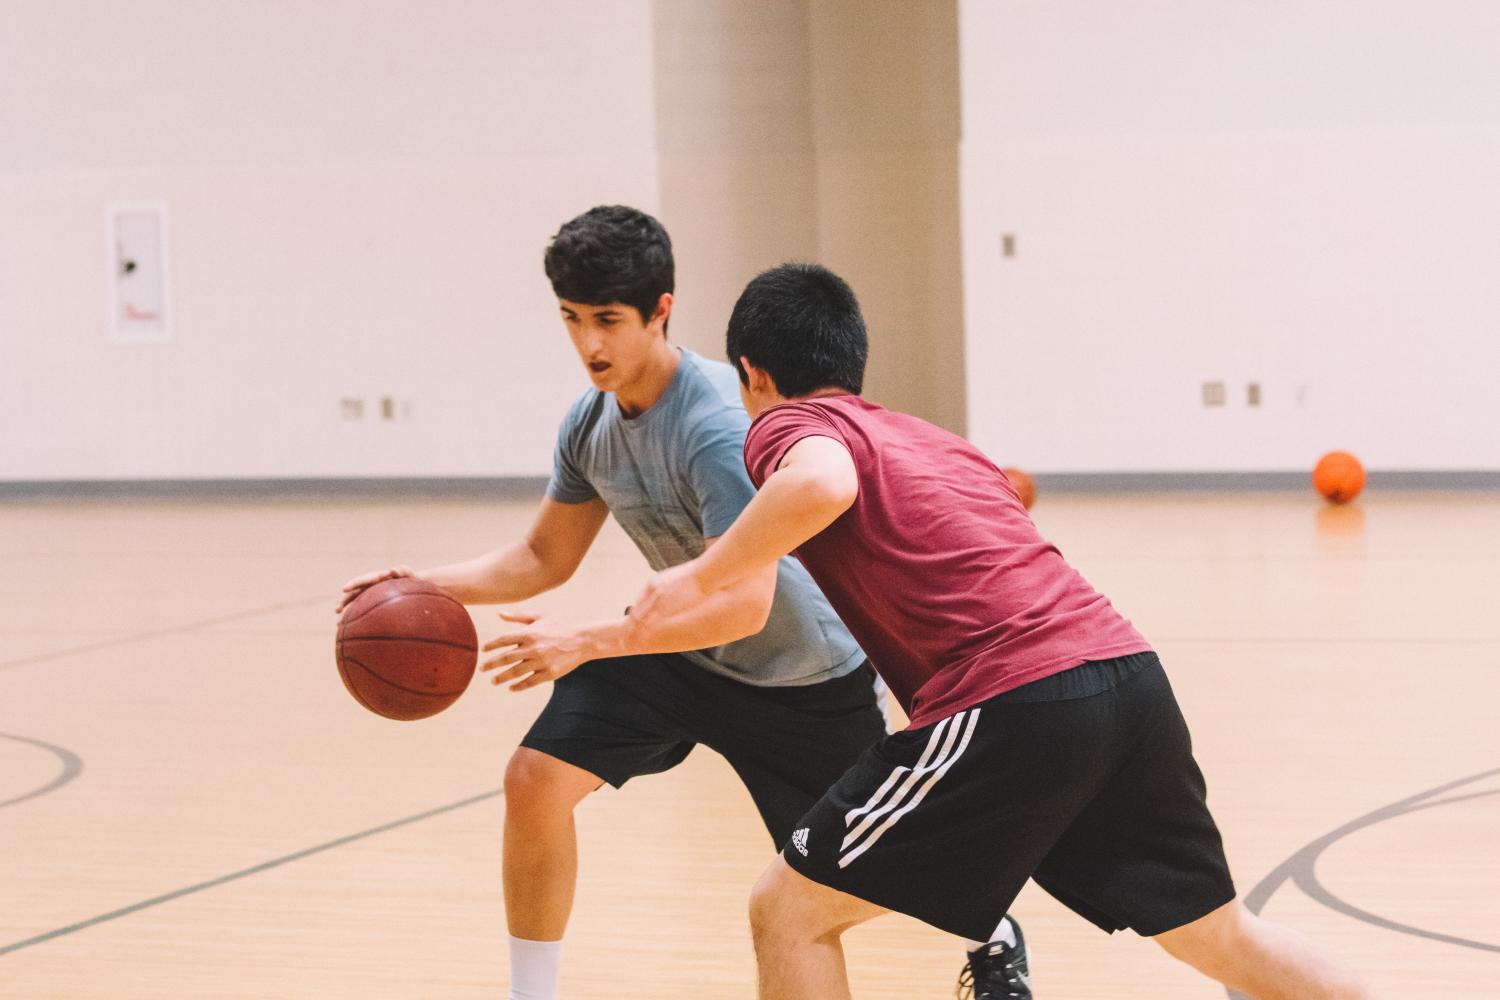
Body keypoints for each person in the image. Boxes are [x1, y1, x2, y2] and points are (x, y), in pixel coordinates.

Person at [630, 262, 1378, 1000]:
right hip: (1128, 675)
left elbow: (823, 482)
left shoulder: (790, 424)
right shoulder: (937, 441)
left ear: (752, 372)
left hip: (1020, 699)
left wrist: (697, 575)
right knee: (1218, 937)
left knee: (786, 912)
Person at [337, 209, 1029, 1000]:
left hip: (799, 679)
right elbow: (542, 557)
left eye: (608, 321)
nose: (590, 344)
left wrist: (591, 642)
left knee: (880, 873)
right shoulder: (589, 425)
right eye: (571, 320)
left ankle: (994, 932)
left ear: (660, 310)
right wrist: (424, 586)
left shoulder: (716, 426)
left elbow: (743, 607)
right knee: (534, 779)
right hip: (677, 654)